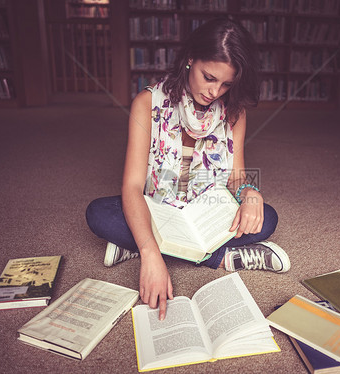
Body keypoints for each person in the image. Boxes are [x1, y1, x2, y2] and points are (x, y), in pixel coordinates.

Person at [86, 18, 290, 320]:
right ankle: (217, 257)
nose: (214, 91)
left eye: (226, 84)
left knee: (266, 217)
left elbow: (236, 176)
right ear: (190, 58)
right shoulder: (147, 103)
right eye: (208, 77)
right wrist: (152, 257)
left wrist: (249, 192)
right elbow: (131, 186)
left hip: (206, 211)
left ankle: (138, 246)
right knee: (98, 213)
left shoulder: (234, 112)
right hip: (159, 208)